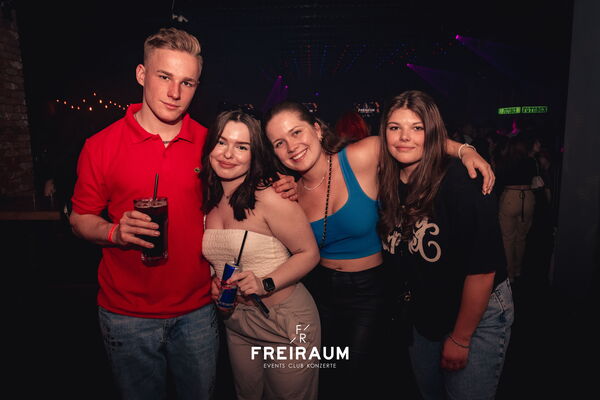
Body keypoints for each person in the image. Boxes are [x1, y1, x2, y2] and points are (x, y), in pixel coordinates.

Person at [68, 27, 298, 399]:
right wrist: (114, 232)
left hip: (198, 312)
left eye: (187, 82)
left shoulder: (211, 146)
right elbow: (80, 220)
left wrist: (285, 184)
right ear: (141, 74)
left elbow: (249, 185)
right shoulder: (100, 146)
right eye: (164, 77)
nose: (175, 93)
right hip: (126, 315)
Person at [263, 100, 495, 398]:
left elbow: (411, 142)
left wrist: (464, 150)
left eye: (296, 132)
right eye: (279, 143)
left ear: (317, 130)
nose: (291, 146)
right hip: (320, 294)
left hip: (369, 292)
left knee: (355, 380)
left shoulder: (360, 156)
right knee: (326, 378)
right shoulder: (289, 191)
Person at [378, 90, 514, 400]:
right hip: (427, 308)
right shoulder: (388, 180)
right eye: (395, 127)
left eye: (417, 128)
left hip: (475, 311)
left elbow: (482, 269)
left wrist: (462, 338)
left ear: (433, 133)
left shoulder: (461, 181)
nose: (404, 137)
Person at [201, 110, 321, 399]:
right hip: (237, 321)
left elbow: (309, 253)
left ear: (254, 155)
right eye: (221, 142)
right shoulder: (210, 199)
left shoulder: (270, 195)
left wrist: (265, 282)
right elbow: (220, 256)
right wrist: (214, 282)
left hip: (284, 322)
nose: (228, 154)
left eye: (242, 147)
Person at [495, 134, 538, 282]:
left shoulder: (505, 161)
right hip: (527, 197)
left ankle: (510, 274)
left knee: (508, 239)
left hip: (510, 197)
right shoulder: (531, 161)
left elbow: (498, 181)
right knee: (521, 238)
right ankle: (518, 270)